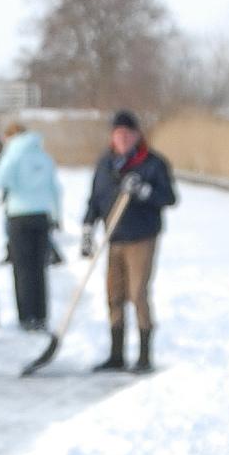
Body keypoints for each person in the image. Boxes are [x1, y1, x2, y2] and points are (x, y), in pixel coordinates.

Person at [79, 110, 176, 373]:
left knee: (137, 294)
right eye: (117, 134)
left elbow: (169, 198)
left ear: (136, 135)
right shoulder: (105, 164)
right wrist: (88, 228)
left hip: (141, 238)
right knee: (114, 295)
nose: (121, 139)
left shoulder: (153, 164)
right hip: (114, 238)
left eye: (126, 134)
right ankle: (116, 355)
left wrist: (144, 191)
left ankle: (144, 356)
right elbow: (95, 199)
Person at [0, 121, 62, 331]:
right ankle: (41, 315)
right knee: (39, 268)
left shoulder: (13, 154)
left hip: (19, 216)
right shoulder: (43, 156)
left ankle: (26, 316)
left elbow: (1, 179)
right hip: (42, 216)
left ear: (11, 137)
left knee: (23, 269)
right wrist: (56, 215)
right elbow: (55, 189)